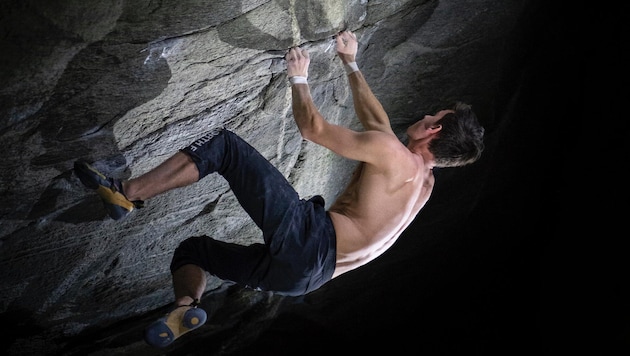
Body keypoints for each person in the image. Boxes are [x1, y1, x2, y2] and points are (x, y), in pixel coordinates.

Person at [74, 30, 484, 348]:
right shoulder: (423, 185)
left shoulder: (393, 154)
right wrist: (351, 64)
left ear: (434, 129)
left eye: (435, 115)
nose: (428, 113)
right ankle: (186, 308)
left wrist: (299, 77)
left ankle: (126, 193)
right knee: (192, 253)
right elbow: (378, 125)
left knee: (225, 146)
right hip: (306, 279)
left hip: (311, 240)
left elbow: (313, 128)